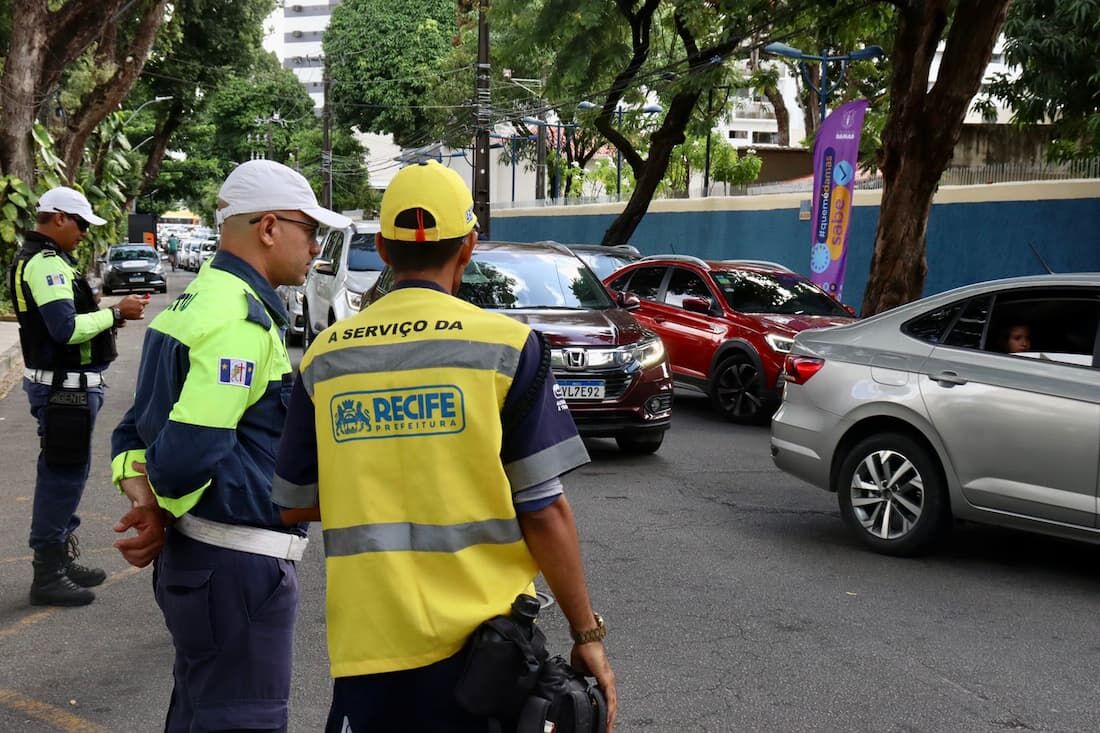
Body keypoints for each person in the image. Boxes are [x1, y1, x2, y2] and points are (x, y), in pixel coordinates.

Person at [273, 160, 618, 732]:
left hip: (370, 648)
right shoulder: (509, 348)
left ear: (382, 248)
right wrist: (588, 634)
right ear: (470, 246)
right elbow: (544, 510)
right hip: (487, 656)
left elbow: (293, 502)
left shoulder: (325, 357)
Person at [109, 159, 350, 732]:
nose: (315, 246)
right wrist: (160, 503)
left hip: (204, 563)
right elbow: (184, 457)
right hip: (237, 567)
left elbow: (131, 434)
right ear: (269, 228)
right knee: (241, 720)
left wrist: (148, 506)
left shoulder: (193, 303)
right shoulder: (238, 322)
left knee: (201, 713)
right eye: (309, 229)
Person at [6, 186, 148, 607]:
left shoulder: (50, 261)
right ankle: (47, 573)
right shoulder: (45, 264)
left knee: (67, 475)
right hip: (63, 391)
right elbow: (64, 330)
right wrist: (116, 313)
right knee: (61, 477)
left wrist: (106, 318)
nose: (85, 233)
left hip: (68, 388)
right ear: (60, 218)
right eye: (82, 223)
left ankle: (60, 557)